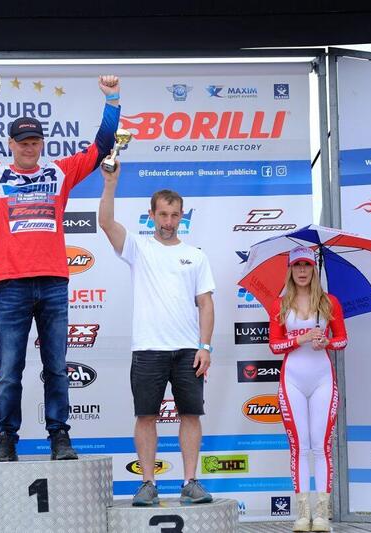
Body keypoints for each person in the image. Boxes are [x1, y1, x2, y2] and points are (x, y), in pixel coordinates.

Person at [0, 70, 121, 461]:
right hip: (10, 284)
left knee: (56, 367)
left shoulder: (59, 172)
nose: (29, 147)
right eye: (22, 142)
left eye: (35, 141)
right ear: (11, 144)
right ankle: (6, 438)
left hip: (53, 282)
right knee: (9, 370)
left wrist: (112, 100)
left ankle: (60, 437)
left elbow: (102, 146)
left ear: (42, 143)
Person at [98, 162, 216, 506]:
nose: (168, 221)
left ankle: (190, 481)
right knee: (146, 416)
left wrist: (205, 346)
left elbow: (206, 304)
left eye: (174, 215)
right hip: (148, 348)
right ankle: (148, 483)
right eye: (163, 214)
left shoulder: (195, 256)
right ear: (151, 215)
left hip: (188, 350)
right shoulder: (139, 247)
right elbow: (105, 222)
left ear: (182, 217)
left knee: (191, 415)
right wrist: (110, 183)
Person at [268, 246, 347, 532]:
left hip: (323, 379)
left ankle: (322, 514)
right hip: (292, 381)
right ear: (290, 270)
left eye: (307, 265)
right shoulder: (280, 304)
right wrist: (299, 339)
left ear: (315, 269)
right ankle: (303, 515)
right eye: (297, 265)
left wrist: (327, 342)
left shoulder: (329, 302)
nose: (302, 271)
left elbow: (342, 339)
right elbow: (274, 345)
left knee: (321, 446)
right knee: (299, 447)